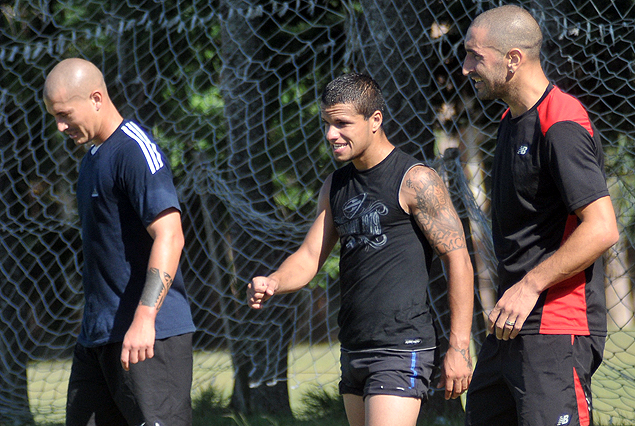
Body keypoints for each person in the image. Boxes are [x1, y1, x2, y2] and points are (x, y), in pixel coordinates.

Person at [248, 72, 474, 426]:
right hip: (353, 346)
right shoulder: (335, 185)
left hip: (401, 347)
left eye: (341, 124)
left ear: (375, 120)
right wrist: (274, 281)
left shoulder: (415, 180)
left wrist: (459, 347)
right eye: (326, 123)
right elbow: (309, 257)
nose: (330, 135)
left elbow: (458, 259)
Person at [461, 5, 619, 426]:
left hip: (555, 326)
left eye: (475, 56)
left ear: (513, 59)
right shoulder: (510, 120)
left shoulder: (561, 122)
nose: (465, 68)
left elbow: (602, 228)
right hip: (509, 328)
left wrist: (530, 285)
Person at [43, 58, 196, 426]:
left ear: (96, 98)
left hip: (148, 337)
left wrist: (144, 319)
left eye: (64, 114)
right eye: (54, 116)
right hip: (98, 337)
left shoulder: (135, 150)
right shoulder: (91, 161)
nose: (60, 125)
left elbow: (170, 235)